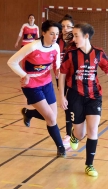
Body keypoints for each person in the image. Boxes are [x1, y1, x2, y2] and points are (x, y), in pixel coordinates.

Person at [59, 23, 108, 177]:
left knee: (93, 130)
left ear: (86, 36)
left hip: (94, 96)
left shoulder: (98, 53)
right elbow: (62, 75)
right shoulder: (71, 54)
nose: (74, 38)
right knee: (80, 134)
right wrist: (61, 96)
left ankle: (89, 165)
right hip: (75, 96)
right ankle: (74, 135)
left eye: (77, 35)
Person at [7, 20, 66, 157]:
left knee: (53, 117)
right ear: (43, 33)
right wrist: (24, 75)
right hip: (31, 85)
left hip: (46, 82)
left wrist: (58, 71)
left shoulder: (55, 47)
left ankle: (30, 113)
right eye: (52, 33)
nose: (55, 37)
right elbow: (12, 62)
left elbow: (56, 65)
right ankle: (60, 147)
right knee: (51, 118)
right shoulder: (32, 47)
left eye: (57, 34)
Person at [21, 14, 76, 148]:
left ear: (73, 28)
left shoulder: (77, 41)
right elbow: (50, 61)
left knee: (68, 109)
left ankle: (30, 113)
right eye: (62, 26)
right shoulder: (55, 42)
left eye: (68, 26)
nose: (65, 29)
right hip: (59, 78)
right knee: (64, 108)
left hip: (74, 78)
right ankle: (68, 136)